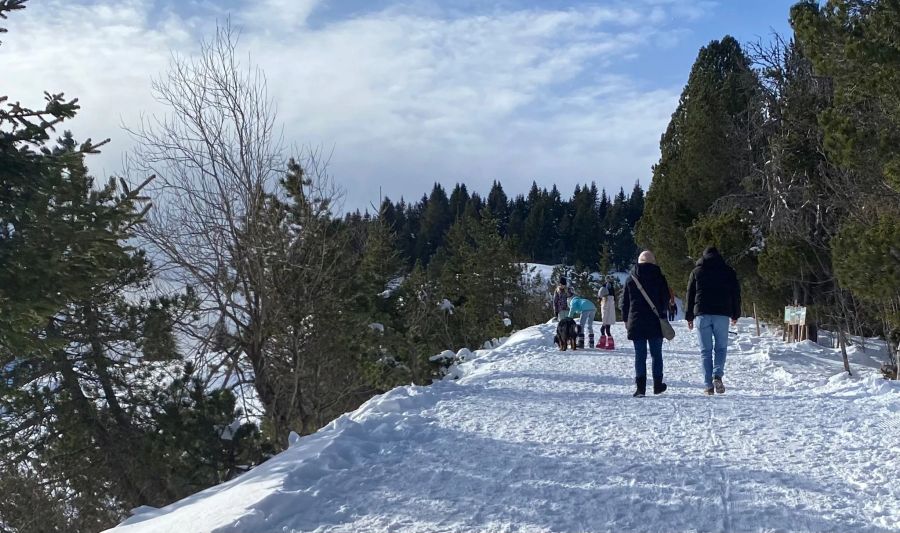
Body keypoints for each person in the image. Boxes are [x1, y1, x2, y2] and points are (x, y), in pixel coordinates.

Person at [685, 246, 741, 395]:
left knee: (705, 351)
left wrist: (689, 316)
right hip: (722, 314)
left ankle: (708, 386)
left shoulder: (696, 271)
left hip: (702, 314)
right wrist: (736, 313)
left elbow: (690, 294)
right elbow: (735, 293)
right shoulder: (728, 271)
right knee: (721, 348)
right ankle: (717, 374)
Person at [621, 250, 671, 397]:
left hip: (637, 322)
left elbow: (624, 303)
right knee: (656, 354)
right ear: (653, 262)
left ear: (639, 262)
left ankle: (641, 388)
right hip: (656, 322)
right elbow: (665, 299)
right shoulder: (660, 278)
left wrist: (626, 319)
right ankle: (657, 385)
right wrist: (662, 314)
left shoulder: (631, 279)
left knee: (640, 355)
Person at [596, 277, 617, 349]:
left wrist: (603, 322)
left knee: (603, 330)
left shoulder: (605, 301)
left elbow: (605, 312)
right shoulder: (612, 299)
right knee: (607, 330)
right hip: (609, 319)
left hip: (606, 320)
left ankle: (605, 343)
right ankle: (608, 343)